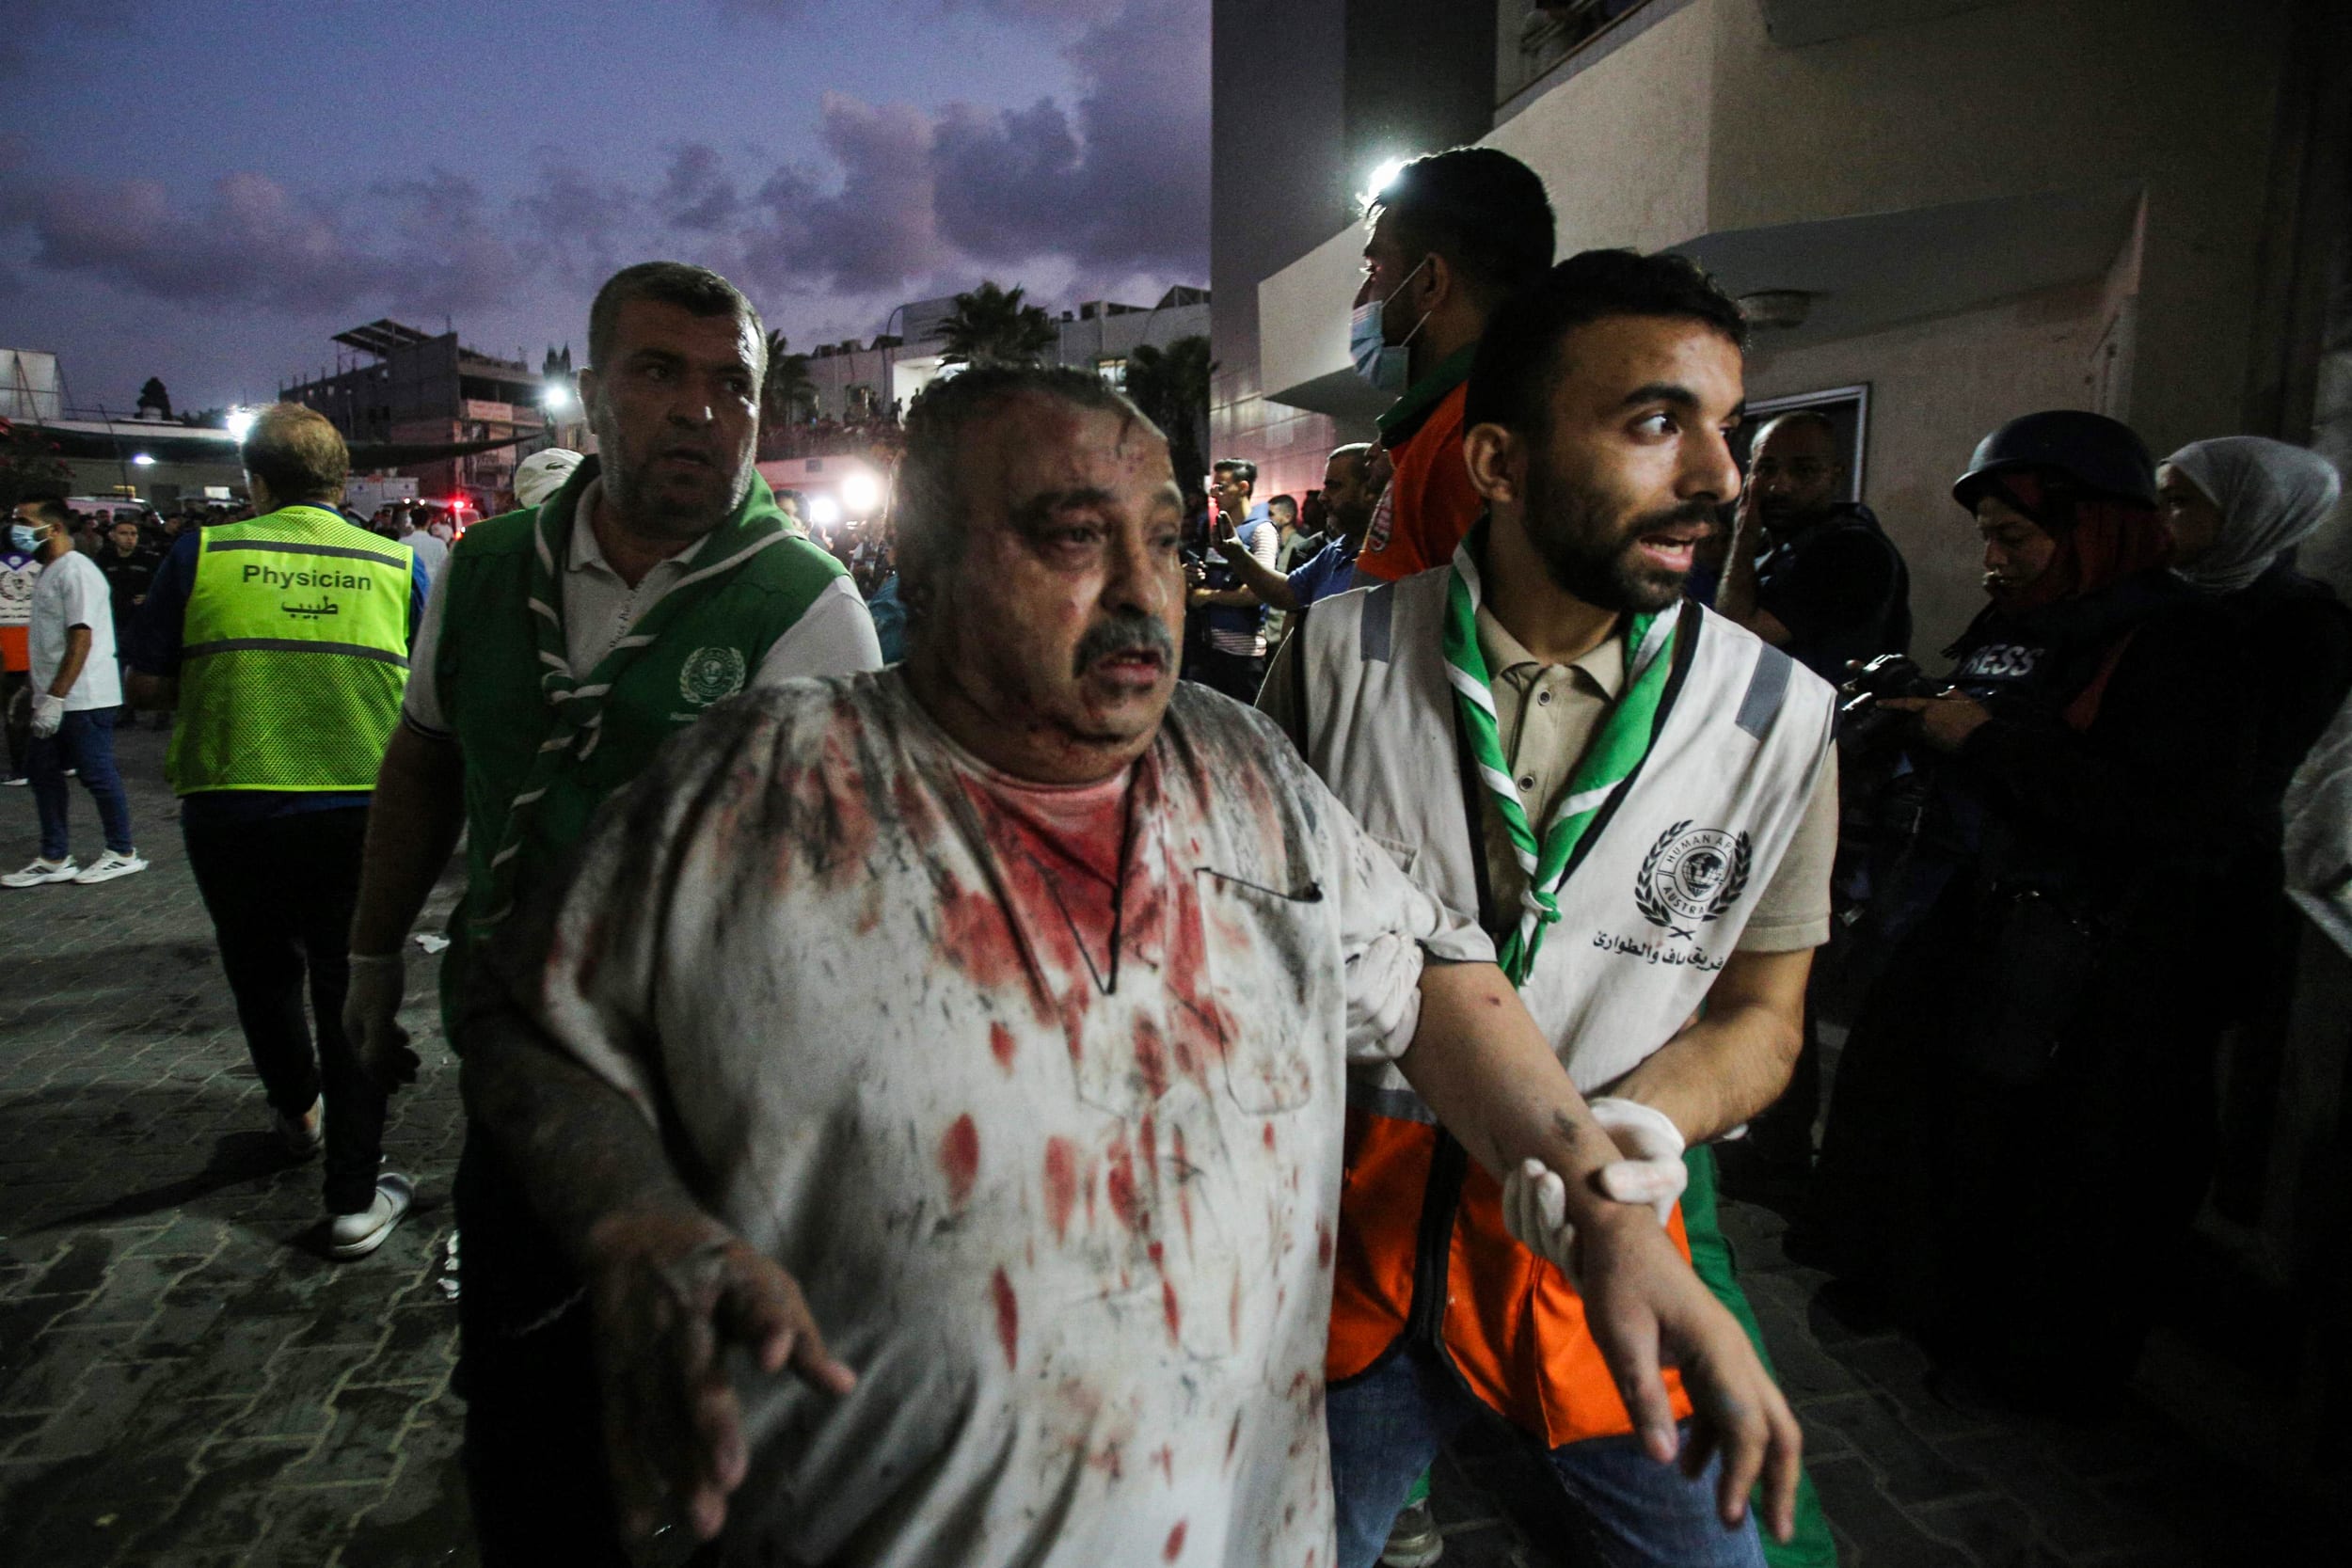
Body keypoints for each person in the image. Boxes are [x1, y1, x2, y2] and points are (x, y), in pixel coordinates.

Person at [459, 363, 1803, 1567]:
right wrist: (634, 1221)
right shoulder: (764, 785)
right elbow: (529, 1027)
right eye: (1070, 537)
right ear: (919, 563)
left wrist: (1604, 1206)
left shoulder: (1242, 766)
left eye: (1164, 540)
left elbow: (1438, 979)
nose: (1140, 593)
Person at [1265, 250, 1840, 1568]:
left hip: (1606, 1246)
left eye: (1726, 429)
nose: (1718, 476)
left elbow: (1765, 1012)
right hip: (1356, 1247)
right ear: (1499, 465)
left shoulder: (1777, 716)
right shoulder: (1339, 655)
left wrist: (1643, 1127)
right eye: (1655, 422)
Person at [338, 261, 882, 1568]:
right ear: (592, 393)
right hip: (518, 1095)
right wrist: (367, 956)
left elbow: (853, 902)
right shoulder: (487, 568)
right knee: (524, 1425)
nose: (701, 409)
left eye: (731, 384)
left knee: (710, 1450)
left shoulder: (805, 607)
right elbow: (420, 758)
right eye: (660, 373)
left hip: (704, 1123)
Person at [1806, 410, 2255, 1406]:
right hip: (1985, 918)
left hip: (2105, 965)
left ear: (2090, 530)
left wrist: (1983, 743)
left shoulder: (2182, 642)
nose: (1994, 562)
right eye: (1986, 540)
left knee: (2061, 1171)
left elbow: (2168, 808)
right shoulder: (2030, 624)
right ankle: (1920, 1291)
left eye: (2014, 538)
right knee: (1933, 1113)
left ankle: (2022, 1360)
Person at [119, 405, 425, 1253]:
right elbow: (432, 691)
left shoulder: (202, 554)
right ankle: (357, 1198)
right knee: (351, 985)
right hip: (357, 806)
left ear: (254, 481)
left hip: (232, 806)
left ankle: (298, 1115)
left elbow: (142, 687)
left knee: (260, 973)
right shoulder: (395, 563)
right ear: (342, 483)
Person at [2155, 436, 2352, 1214]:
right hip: (2158, 867)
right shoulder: (2174, 599)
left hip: (2224, 877)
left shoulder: (2307, 624)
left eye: (2182, 501)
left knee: (2193, 1065)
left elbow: (2257, 769)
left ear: (2252, 511)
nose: (2162, 518)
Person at [1349, 148, 1555, 587]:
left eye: (1375, 267)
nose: (1363, 297)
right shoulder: (1457, 424)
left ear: (1429, 281)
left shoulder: (1468, 443)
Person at [3, 497, 143, 888]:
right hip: (55, 695)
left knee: (96, 773)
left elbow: (80, 637)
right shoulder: (50, 569)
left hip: (83, 696)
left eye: (23, 521)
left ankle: (122, 851)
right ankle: (54, 856)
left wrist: (56, 697)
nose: (15, 528)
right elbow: (48, 641)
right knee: (41, 772)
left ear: (54, 528)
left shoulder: (77, 571)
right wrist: (34, 689)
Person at [1713, 411, 1911, 684]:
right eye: (1766, 469)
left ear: (1835, 475)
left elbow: (1737, 638)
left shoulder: (1851, 548)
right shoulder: (1772, 548)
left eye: (1803, 470)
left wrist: (1743, 535)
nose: (1779, 486)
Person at [1206, 443, 1383, 617]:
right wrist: (1236, 554)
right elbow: (1287, 592)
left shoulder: (1393, 553)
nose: (1323, 497)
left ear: (1369, 489)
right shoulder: (1335, 552)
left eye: (1334, 486)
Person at [1185, 457, 1278, 698]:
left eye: (1222, 486)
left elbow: (1258, 592)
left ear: (1243, 488)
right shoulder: (1216, 529)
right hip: (1207, 648)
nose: (1215, 492)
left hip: (1242, 655)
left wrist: (1208, 596)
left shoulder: (1262, 531)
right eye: (1213, 486)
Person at [1, 526, 39, 785]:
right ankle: (65, 762)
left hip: (6, 653)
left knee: (14, 715)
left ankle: (20, 769)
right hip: (40, 650)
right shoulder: (44, 567)